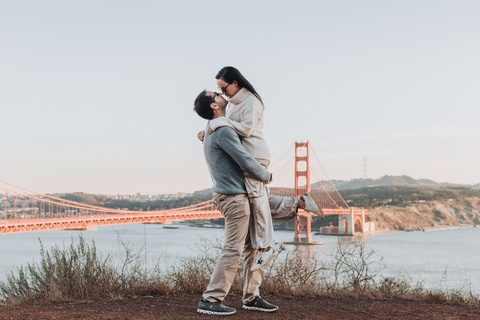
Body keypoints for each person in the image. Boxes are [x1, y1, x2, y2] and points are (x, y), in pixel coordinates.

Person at [193, 90, 323, 316]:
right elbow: (244, 158)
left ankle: (251, 297)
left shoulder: (218, 127)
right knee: (233, 249)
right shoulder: (222, 130)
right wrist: (266, 175)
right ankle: (210, 299)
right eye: (216, 94)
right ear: (214, 106)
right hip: (234, 197)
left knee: (254, 244)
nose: (221, 94)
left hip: (243, 192)